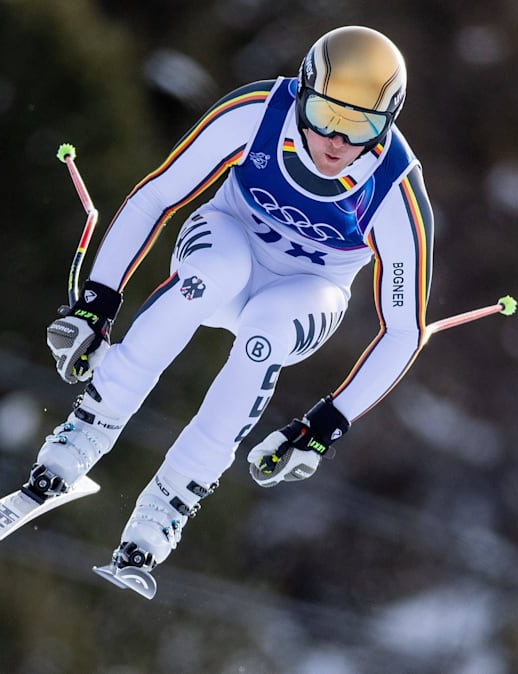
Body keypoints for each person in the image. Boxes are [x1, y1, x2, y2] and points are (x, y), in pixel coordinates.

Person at [35, 25, 434, 598]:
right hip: (228, 239)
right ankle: (88, 427)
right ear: (302, 90)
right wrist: (97, 304)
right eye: (324, 114)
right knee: (209, 277)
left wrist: (324, 425)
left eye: (362, 126)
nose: (336, 141)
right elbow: (158, 195)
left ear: (388, 123)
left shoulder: (395, 188)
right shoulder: (258, 112)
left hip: (307, 288)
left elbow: (404, 330)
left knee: (264, 336)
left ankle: (171, 500)